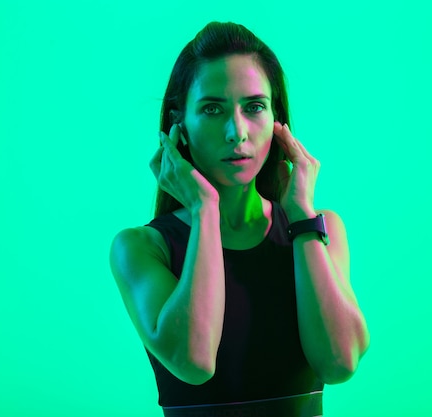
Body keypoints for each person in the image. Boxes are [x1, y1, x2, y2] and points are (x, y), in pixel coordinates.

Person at [109, 21, 370, 417]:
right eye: (212, 109)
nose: (236, 132)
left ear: (277, 121)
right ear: (178, 125)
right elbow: (193, 362)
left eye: (254, 107)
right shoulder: (141, 248)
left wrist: (301, 218)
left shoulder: (322, 228)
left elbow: (340, 362)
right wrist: (204, 211)